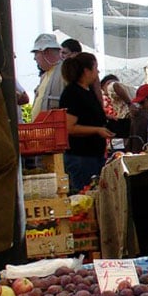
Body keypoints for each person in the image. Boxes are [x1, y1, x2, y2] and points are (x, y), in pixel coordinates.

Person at [58, 53, 111, 193]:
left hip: (94, 154)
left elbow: (89, 114)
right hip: (81, 156)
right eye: (95, 68)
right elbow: (70, 127)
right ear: (86, 71)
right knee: (85, 195)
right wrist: (96, 130)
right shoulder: (72, 93)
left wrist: (106, 118)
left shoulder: (88, 91)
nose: (98, 72)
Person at [30, 33, 65, 118]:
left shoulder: (65, 72)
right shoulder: (44, 76)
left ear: (46, 52)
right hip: (43, 129)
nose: (34, 58)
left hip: (55, 128)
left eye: (36, 53)